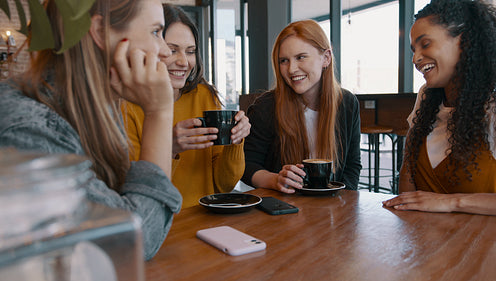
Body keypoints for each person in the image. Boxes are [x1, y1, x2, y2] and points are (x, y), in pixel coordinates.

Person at [0, 0, 182, 260]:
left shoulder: (95, 107)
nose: (165, 50)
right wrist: (159, 112)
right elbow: (133, 241)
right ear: (99, 31)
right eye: (156, 31)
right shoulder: (27, 127)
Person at [122, 4, 251, 208]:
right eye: (172, 50)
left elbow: (224, 186)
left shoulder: (204, 95)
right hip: (161, 224)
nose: (183, 62)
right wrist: (169, 148)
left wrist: (236, 141)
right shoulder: (126, 106)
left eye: (190, 52)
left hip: (207, 217)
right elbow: (133, 194)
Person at [383, 0, 496, 216]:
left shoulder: (495, 102)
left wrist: (452, 202)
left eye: (425, 44)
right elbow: (408, 173)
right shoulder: (426, 97)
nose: (416, 58)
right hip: (425, 243)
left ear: (464, 42)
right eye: (413, 49)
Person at [242, 19, 361, 193]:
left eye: (300, 57)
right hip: (282, 207)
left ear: (326, 58)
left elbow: (352, 167)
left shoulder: (347, 103)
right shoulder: (265, 107)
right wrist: (275, 180)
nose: (291, 69)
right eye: (284, 61)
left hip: (331, 209)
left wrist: (340, 205)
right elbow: (247, 166)